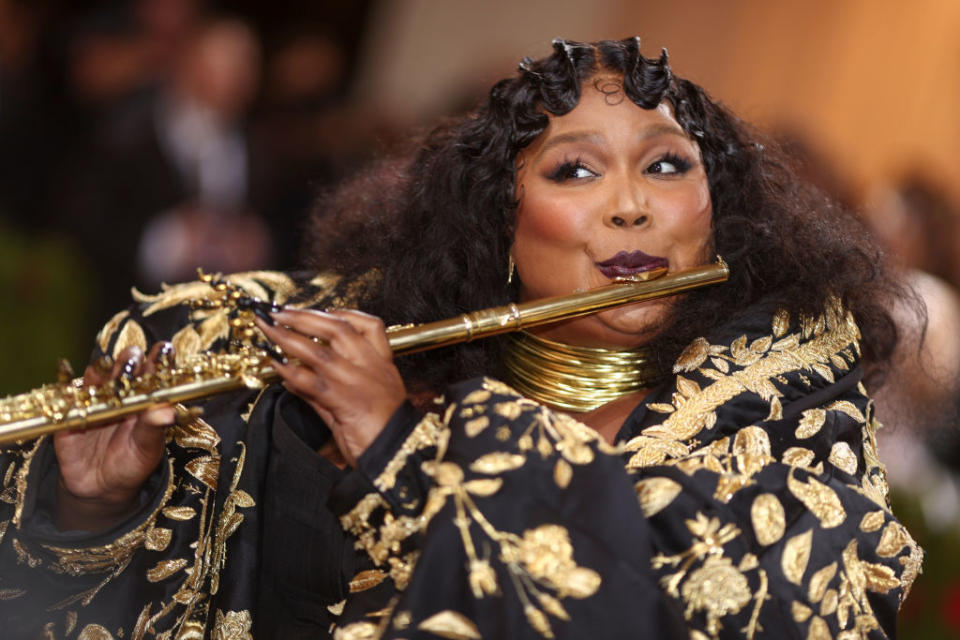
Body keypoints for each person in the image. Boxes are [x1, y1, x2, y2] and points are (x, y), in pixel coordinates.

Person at [0, 38, 921, 639]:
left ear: (719, 214)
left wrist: (398, 451)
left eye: (667, 165)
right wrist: (88, 510)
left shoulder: (785, 402)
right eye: (577, 171)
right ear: (499, 228)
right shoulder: (342, 357)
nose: (632, 205)